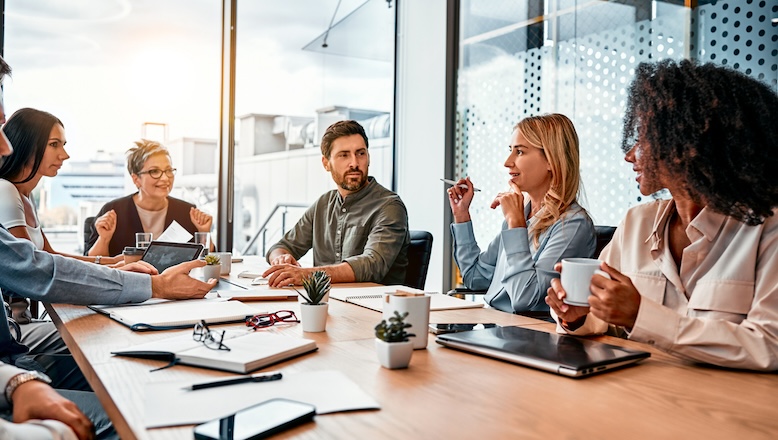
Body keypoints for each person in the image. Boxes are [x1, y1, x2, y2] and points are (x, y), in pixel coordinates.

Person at [0, 56, 217, 439]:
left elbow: (45, 258)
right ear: (136, 177)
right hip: (15, 340)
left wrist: (112, 263)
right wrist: (145, 281)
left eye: (169, 171)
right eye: (55, 145)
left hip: (14, 343)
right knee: (128, 383)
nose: (3, 145)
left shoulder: (185, 209)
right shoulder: (107, 208)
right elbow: (36, 269)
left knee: (119, 344)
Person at [546, 59, 778, 371]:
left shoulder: (767, 227)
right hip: (640, 399)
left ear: (688, 142)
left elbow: (769, 345)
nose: (629, 154)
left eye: (642, 136)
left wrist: (640, 315)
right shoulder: (636, 222)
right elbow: (603, 320)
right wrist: (579, 315)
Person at [448, 113, 596, 314]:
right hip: (495, 325)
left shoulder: (572, 225)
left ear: (551, 161)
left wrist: (516, 224)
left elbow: (525, 299)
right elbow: (475, 277)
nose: (507, 162)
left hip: (527, 336)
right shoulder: (523, 214)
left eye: (519, 152)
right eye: (511, 151)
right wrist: (462, 215)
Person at [263, 120, 409, 287]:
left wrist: (306, 275)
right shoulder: (323, 204)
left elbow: (372, 265)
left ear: (368, 157)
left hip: (374, 307)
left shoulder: (389, 207)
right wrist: (280, 259)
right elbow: (282, 246)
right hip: (325, 302)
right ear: (326, 163)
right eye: (344, 155)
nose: (354, 163)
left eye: (360, 153)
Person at [86, 139, 214, 257]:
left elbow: (210, 262)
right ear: (136, 179)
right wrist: (104, 239)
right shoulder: (113, 211)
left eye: (168, 170)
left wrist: (204, 232)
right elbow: (91, 266)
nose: (165, 178)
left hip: (175, 281)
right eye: (155, 171)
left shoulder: (187, 211)